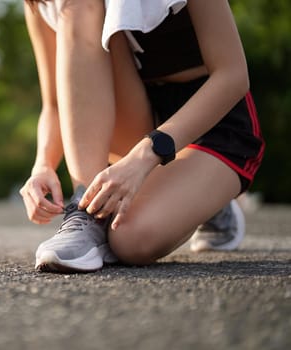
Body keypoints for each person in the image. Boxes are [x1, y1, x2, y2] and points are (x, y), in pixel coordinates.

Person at [19, 0, 265, 272]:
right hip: (140, 122)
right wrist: (42, 165)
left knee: (130, 240)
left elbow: (233, 77)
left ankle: (207, 200)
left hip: (212, 123)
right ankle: (86, 210)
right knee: (77, 4)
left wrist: (144, 156)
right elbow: (56, 103)